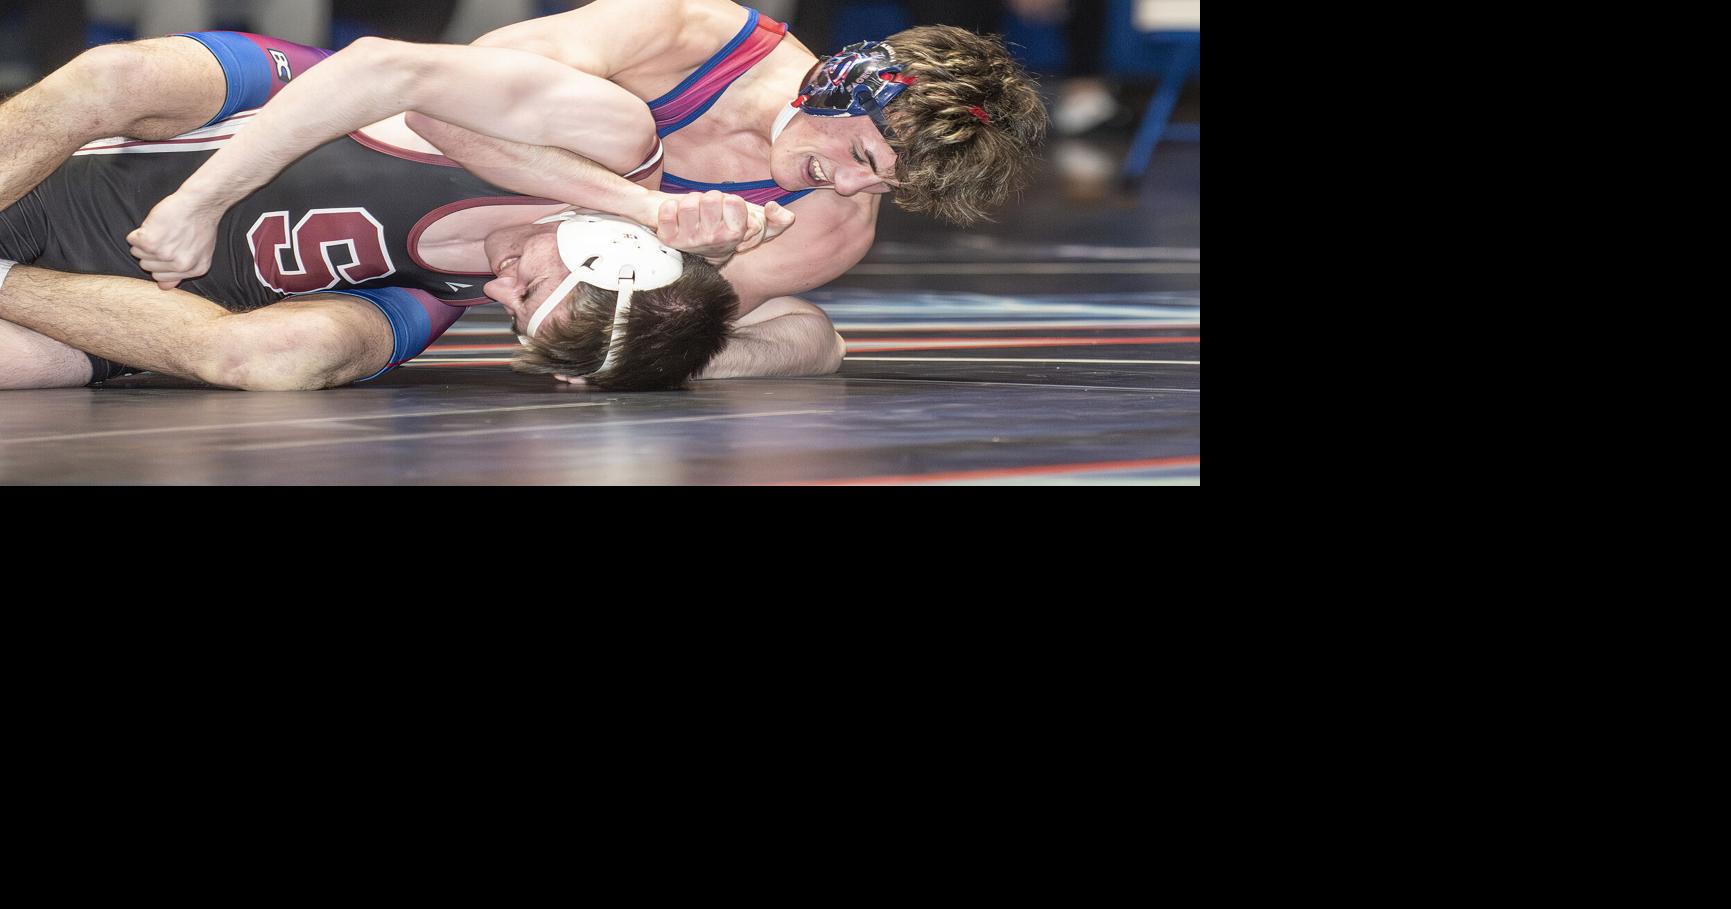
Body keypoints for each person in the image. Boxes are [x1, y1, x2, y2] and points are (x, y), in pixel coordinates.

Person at [0, 36, 834, 391]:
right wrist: (201, 200)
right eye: (527, 288)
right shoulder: (615, 140)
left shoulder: (461, 287)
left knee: (275, 361)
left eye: (514, 315)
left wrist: (639, 362)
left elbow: (816, 338)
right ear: (601, 244)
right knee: (115, 77)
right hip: (220, 139)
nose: (498, 294)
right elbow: (386, 73)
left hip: (127, 290)